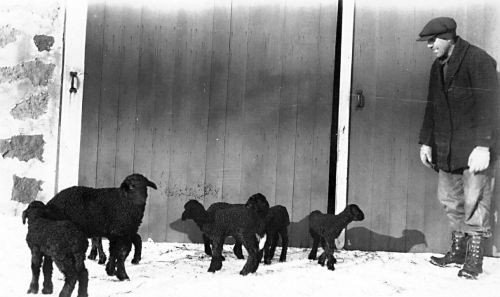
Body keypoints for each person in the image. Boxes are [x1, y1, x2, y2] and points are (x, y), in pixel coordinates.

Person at [417, 17, 499, 279]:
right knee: (450, 201)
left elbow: (491, 107)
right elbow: (433, 105)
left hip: (475, 149)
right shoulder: (437, 66)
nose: (429, 45)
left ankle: (474, 262)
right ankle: (458, 252)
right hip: (447, 148)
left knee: (476, 202)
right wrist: (427, 141)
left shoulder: (478, 60)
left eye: (433, 40)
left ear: (449, 37)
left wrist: (484, 146)